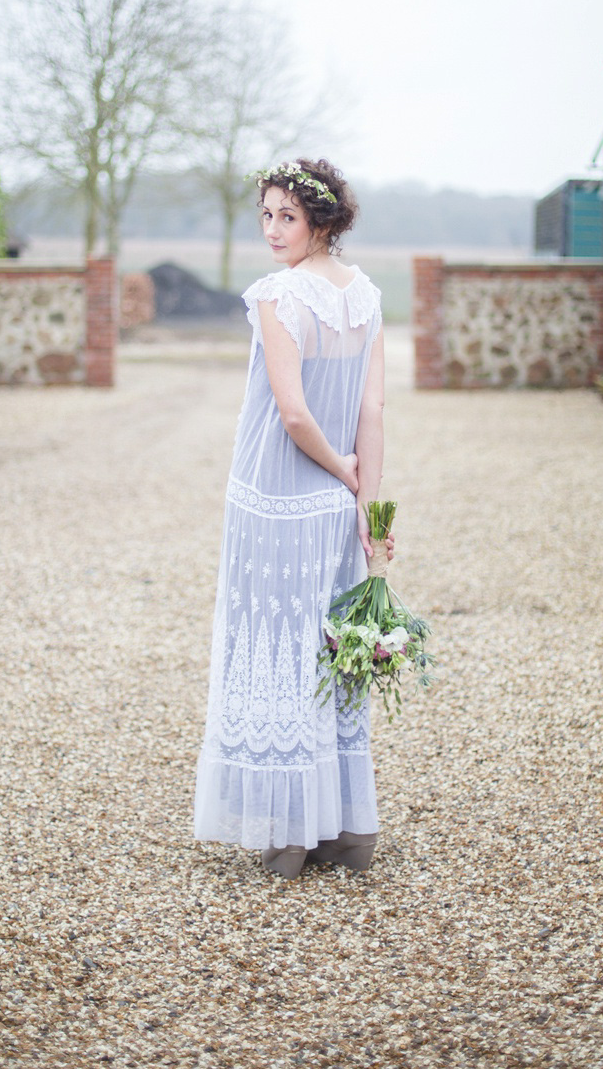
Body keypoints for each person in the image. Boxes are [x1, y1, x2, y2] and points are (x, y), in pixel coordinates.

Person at [193, 157, 392, 879]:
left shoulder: (279, 296)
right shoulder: (367, 296)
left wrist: (347, 479)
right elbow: (371, 412)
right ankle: (342, 830)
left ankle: (288, 835)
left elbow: (293, 411)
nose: (273, 231)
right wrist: (367, 507)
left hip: (274, 500)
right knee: (323, 655)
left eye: (288, 216)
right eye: (266, 216)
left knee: (279, 651)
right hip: (329, 509)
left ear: (322, 221)